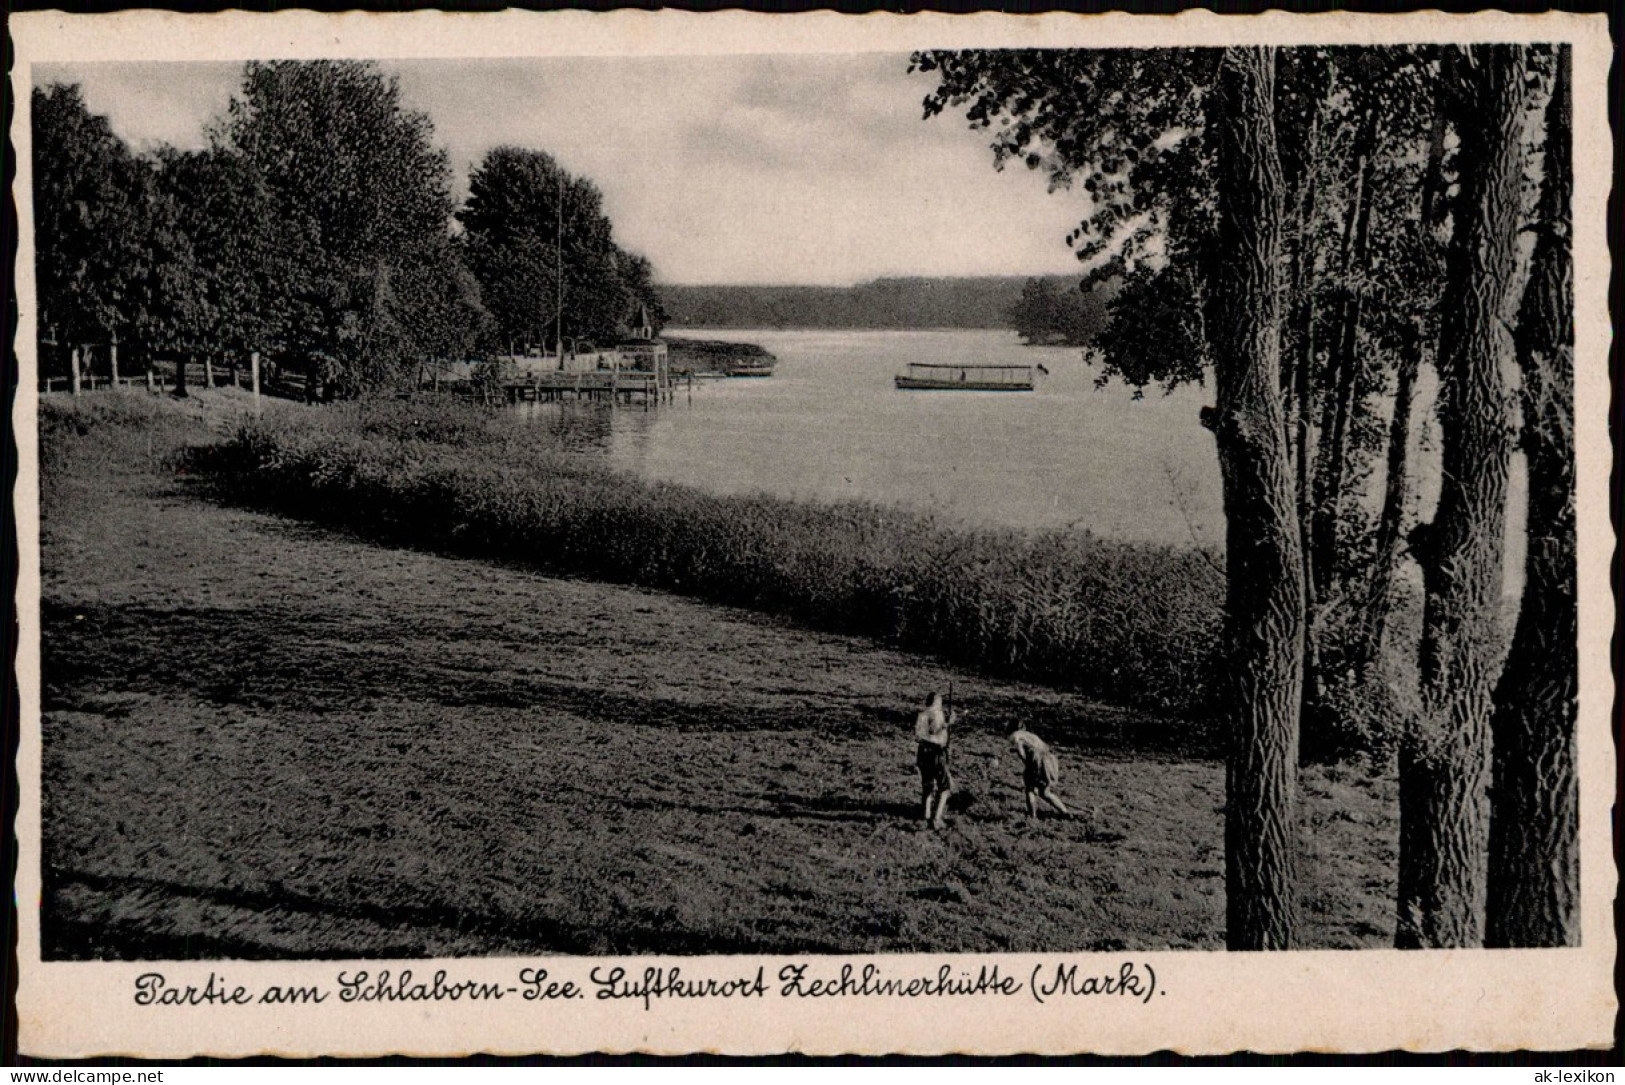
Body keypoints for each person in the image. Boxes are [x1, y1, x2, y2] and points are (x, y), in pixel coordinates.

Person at [1009, 723, 1070, 818]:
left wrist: (1027, 764)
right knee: (1045, 792)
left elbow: (1021, 751)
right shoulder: (1031, 735)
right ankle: (1065, 812)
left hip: (1037, 761)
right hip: (1049, 760)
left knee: (1029, 789)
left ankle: (1032, 815)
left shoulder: (1016, 736)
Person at [914, 691, 955, 828]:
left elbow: (918, 735)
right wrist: (947, 724)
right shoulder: (937, 714)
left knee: (927, 785)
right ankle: (937, 818)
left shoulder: (922, 714)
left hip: (922, 752)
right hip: (936, 752)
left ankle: (925, 815)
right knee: (945, 788)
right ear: (938, 702)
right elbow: (935, 731)